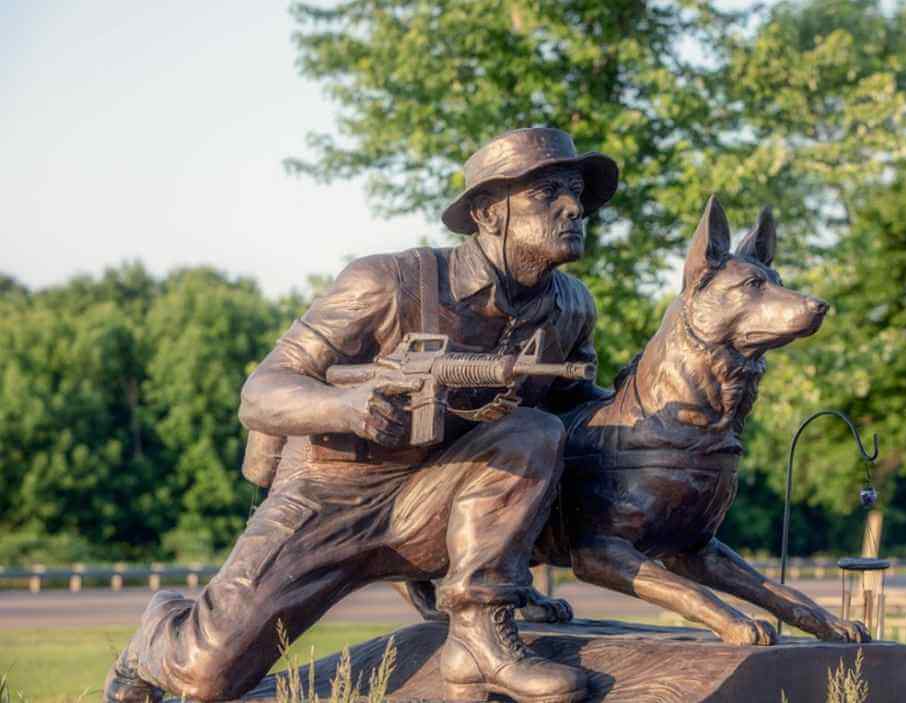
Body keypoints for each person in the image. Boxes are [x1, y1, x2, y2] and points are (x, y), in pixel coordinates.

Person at [103, 127, 618, 703]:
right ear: (488, 213)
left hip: (437, 501)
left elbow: (572, 410)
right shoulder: (389, 282)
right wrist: (345, 406)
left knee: (534, 432)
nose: (574, 207)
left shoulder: (571, 306)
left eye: (575, 193)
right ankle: (157, 631)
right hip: (329, 497)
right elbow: (260, 392)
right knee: (206, 676)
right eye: (546, 193)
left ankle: (479, 636)